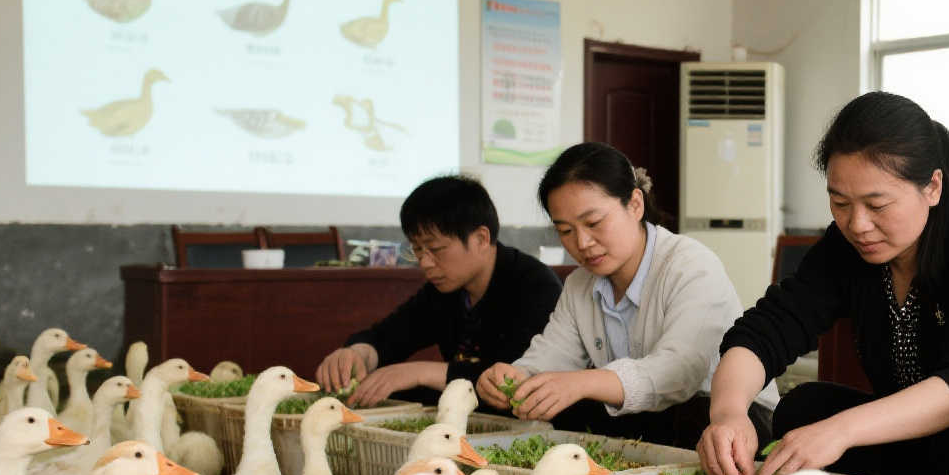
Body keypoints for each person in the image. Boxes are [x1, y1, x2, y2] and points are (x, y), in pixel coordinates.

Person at [697, 92, 949, 475]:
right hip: (915, 445)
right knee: (802, 409)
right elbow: (768, 328)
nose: (858, 224)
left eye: (877, 204)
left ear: (933, 186)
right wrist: (729, 413)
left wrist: (842, 431)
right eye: (840, 202)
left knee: (837, 431)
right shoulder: (846, 246)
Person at [478, 143, 771, 448]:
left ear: (635, 205)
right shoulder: (580, 285)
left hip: (723, 423)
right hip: (649, 420)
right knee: (562, 412)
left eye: (594, 223)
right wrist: (516, 375)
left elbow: (680, 372)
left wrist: (583, 382)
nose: (582, 242)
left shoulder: (690, 265)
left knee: (679, 417)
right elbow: (551, 356)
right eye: (565, 231)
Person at [317, 174, 560, 407]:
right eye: (418, 250)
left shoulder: (535, 286)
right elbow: (389, 336)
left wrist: (421, 372)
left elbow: (514, 378)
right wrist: (357, 354)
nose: (425, 263)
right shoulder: (445, 290)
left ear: (481, 238)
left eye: (435, 249)